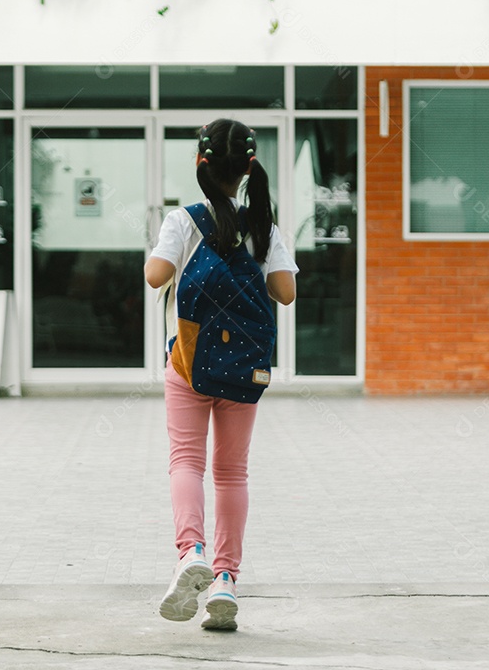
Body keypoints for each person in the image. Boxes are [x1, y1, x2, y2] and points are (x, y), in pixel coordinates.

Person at [145, 118, 297, 632]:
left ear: (200, 164)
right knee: (233, 472)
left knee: (186, 460)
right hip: (244, 371)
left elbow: (155, 277)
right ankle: (226, 581)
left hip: (188, 363)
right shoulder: (264, 228)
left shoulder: (183, 221)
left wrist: (170, 243)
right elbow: (286, 292)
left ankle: (191, 551)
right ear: (250, 167)